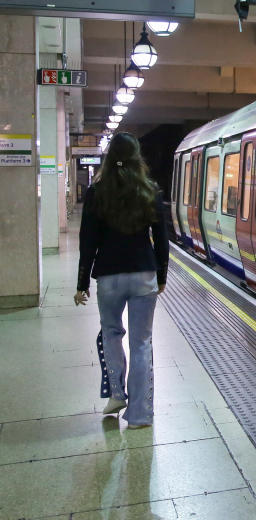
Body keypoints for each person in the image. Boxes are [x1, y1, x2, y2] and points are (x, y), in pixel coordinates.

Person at [73, 133, 169, 429]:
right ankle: (140, 415)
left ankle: (116, 394)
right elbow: (162, 240)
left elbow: (87, 241)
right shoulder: (150, 191)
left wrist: (81, 283)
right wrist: (161, 276)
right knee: (142, 343)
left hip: (109, 277)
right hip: (143, 274)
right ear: (137, 158)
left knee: (111, 334)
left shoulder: (97, 192)